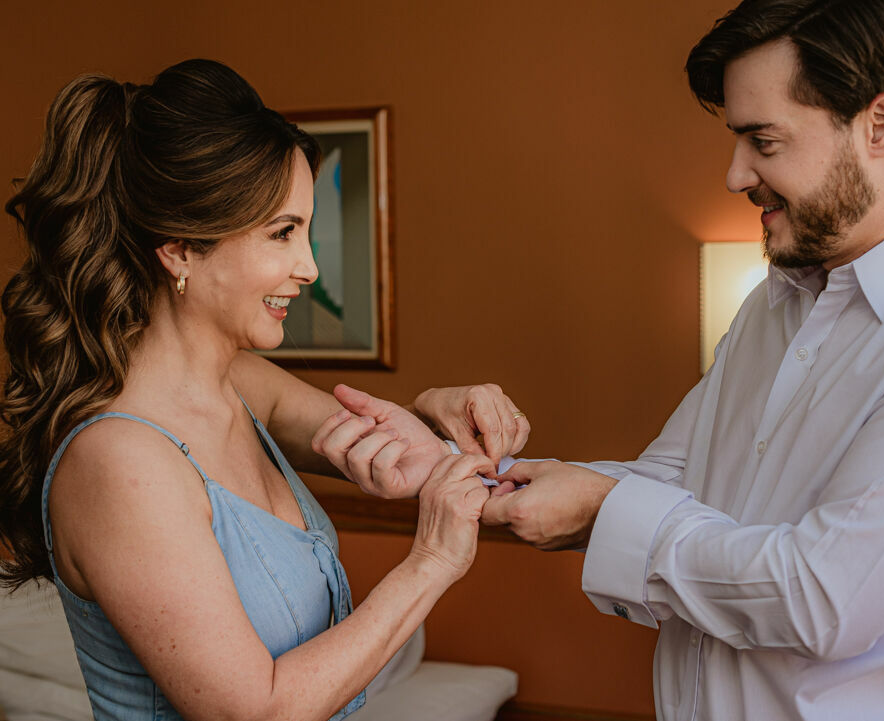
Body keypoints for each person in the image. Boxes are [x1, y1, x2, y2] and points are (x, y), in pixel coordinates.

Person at [333, 1, 884, 719]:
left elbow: (824, 597)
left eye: (764, 141)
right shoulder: (773, 304)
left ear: (883, 124)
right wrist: (465, 472)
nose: (734, 173)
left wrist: (600, 508)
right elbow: (671, 482)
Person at [0, 59, 530, 721]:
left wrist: (435, 416)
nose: (308, 267)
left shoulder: (236, 383)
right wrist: (431, 560)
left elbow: (387, 447)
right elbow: (254, 711)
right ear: (180, 249)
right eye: (282, 232)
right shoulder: (119, 461)